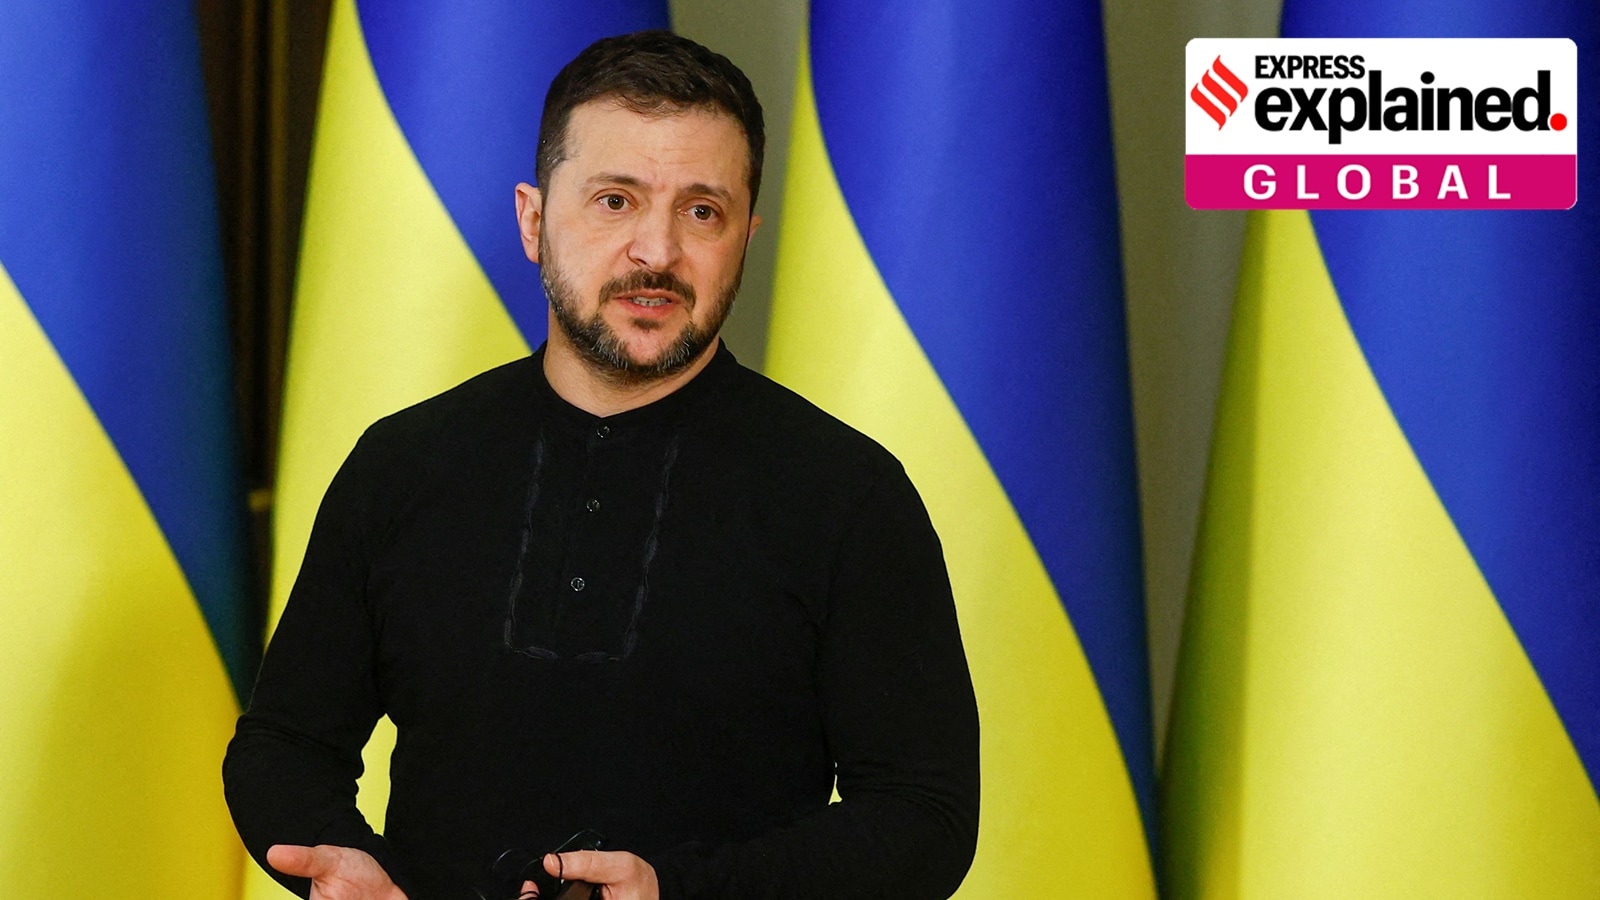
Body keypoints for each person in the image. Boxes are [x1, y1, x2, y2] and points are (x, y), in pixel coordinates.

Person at [224, 30, 979, 900]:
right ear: (534, 221)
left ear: (746, 235)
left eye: (702, 211)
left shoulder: (851, 495)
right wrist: (342, 859)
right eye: (615, 201)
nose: (656, 253)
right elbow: (284, 746)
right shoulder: (403, 465)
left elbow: (924, 815)